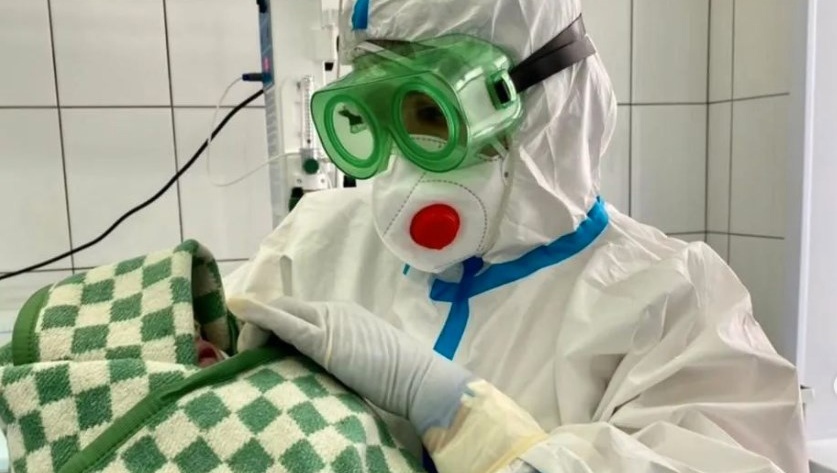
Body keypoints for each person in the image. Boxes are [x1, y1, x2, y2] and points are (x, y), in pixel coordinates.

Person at [224, 0, 809, 472]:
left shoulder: (673, 304)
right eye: (376, 117)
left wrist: (469, 422)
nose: (407, 157)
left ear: (541, 102)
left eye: (430, 113)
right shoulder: (317, 240)